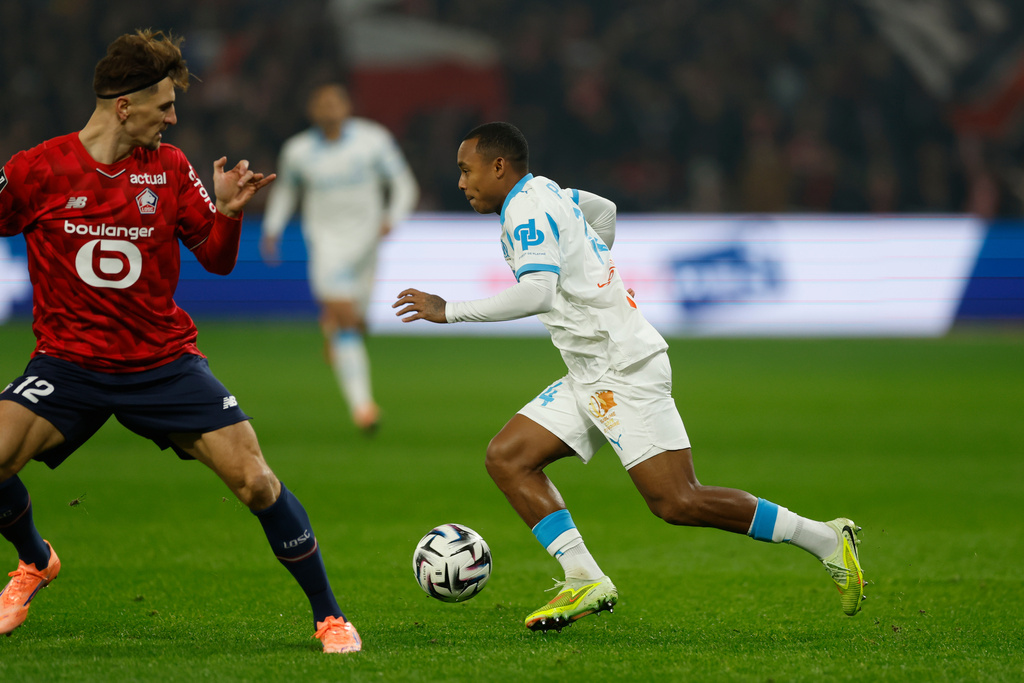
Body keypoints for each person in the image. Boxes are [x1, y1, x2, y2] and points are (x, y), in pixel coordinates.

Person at [393, 121, 865, 631]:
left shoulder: (525, 210)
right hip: (591, 370)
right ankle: (583, 579)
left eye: (467, 170)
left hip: (623, 368)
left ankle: (824, 538)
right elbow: (605, 213)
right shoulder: (548, 190)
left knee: (677, 500)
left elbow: (538, 293)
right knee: (509, 457)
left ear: (498, 166)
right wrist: (592, 263)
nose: (461, 183)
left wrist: (449, 311)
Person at [0, 30, 360, 654]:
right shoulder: (37, 170)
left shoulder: (168, 169)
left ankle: (329, 616)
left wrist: (229, 212)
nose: (173, 117)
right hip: (68, 362)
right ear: (124, 106)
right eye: (163, 106)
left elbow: (216, 261)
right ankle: (36, 560)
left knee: (256, 482)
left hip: (162, 363)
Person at [260, 83, 419, 434]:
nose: (329, 109)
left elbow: (404, 183)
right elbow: (286, 190)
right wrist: (272, 228)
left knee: (355, 324)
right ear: (312, 111)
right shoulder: (298, 150)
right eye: (322, 103)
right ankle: (364, 408)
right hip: (326, 245)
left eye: (335, 102)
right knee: (346, 320)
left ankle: (336, 335)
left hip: (367, 246)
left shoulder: (372, 140)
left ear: (347, 107)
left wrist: (393, 216)